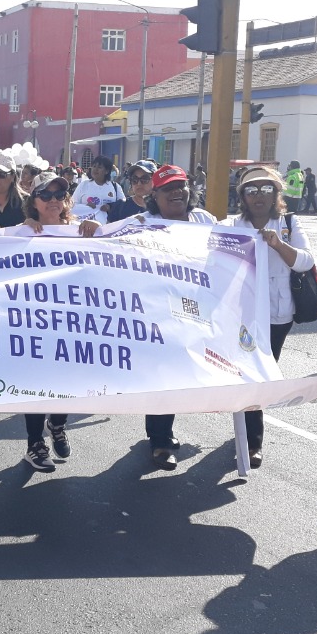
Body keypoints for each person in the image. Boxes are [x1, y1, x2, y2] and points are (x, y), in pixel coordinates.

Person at [221, 168, 315, 468]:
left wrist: (278, 245)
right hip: (241, 314)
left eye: (266, 190)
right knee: (247, 374)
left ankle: (250, 437)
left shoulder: (288, 224)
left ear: (276, 194)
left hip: (276, 314)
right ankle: (249, 435)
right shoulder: (232, 225)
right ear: (243, 196)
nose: (258, 196)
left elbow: (305, 261)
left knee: (260, 374)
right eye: (252, 190)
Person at [11, 172, 99, 471]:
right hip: (34, 322)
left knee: (67, 380)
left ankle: (58, 424)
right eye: (45, 195)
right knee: (36, 383)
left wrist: (99, 231)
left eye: (59, 195)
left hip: (71, 323)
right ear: (33, 201)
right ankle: (35, 443)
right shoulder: (22, 233)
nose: (53, 200)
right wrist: (22, 229)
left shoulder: (80, 230)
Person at [136, 164, 218, 470]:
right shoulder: (144, 223)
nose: (176, 193)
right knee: (164, 375)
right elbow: (108, 236)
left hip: (198, 309)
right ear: (155, 196)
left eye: (181, 186)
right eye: (168, 188)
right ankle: (160, 440)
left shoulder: (204, 220)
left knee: (186, 373)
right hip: (159, 312)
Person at [72, 155, 125, 223]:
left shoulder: (115, 187)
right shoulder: (83, 185)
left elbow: (123, 205)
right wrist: (85, 207)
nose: (95, 169)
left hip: (109, 226)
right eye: (94, 166)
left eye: (99, 167)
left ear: (106, 171)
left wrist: (110, 207)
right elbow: (72, 205)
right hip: (86, 226)